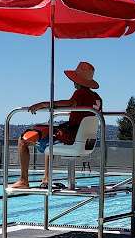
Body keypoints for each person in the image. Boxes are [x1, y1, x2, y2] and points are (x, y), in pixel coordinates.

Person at [10, 61, 102, 189]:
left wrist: (43, 104)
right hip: (86, 141)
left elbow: (69, 103)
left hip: (72, 138)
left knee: (23, 140)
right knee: (49, 135)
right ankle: (46, 178)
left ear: (78, 80)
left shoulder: (80, 93)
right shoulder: (97, 98)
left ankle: (23, 181)